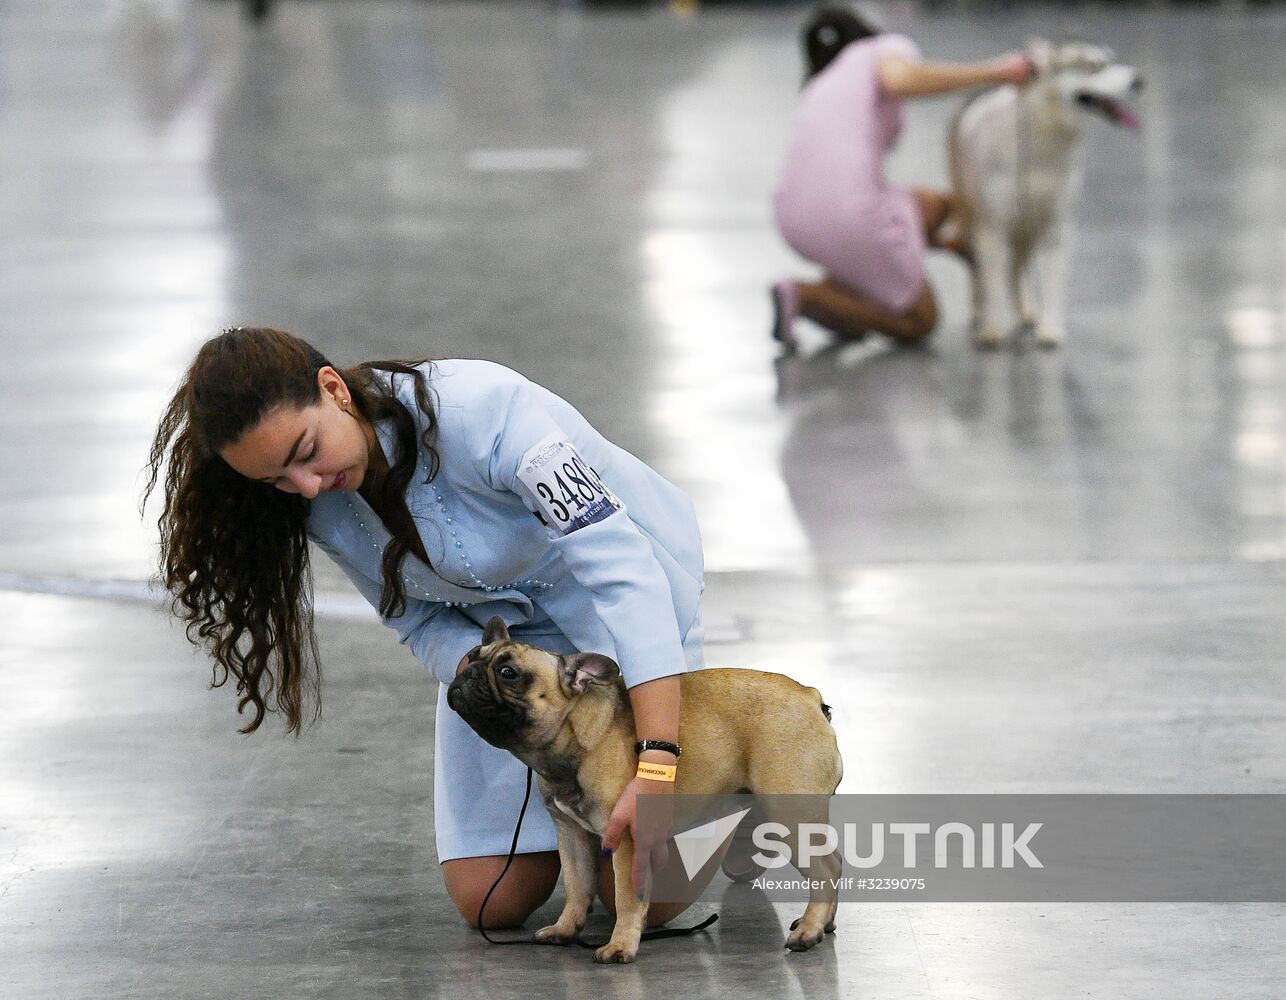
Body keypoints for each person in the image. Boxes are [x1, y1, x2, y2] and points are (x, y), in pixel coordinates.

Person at [143, 327, 705, 929]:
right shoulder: (311, 499)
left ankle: (747, 782)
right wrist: (481, 676)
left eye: (305, 453)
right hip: (507, 664)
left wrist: (658, 764)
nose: (303, 487)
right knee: (490, 905)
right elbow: (414, 620)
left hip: (618, 614)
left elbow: (627, 579)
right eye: (275, 480)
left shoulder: (489, 410)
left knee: (656, 904)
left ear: (333, 390)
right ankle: (590, 830)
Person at [771, 5, 1036, 347]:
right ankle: (805, 296)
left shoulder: (823, 78)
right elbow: (901, 80)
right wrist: (995, 72)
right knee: (919, 321)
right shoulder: (884, 48)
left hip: (792, 215)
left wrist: (946, 244)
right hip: (848, 215)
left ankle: (843, 295)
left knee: (944, 207)